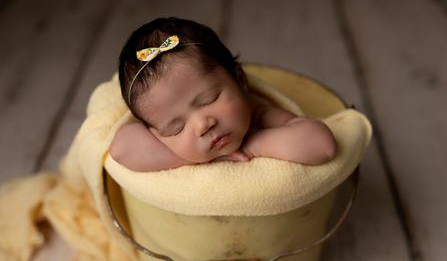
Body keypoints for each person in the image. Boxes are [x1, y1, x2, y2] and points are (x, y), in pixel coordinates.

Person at [110, 17, 337, 172]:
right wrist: (193, 159)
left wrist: (252, 145)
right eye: (176, 128)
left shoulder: (259, 112)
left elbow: (321, 145)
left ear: (239, 79)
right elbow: (121, 149)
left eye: (209, 99)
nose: (202, 125)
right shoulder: (165, 140)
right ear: (156, 133)